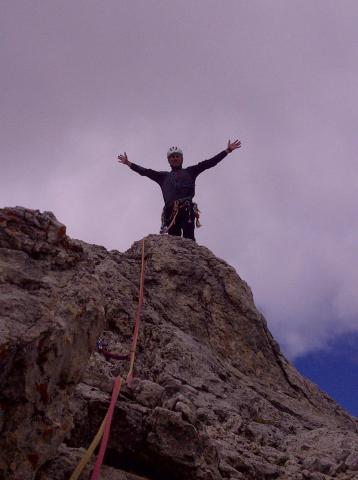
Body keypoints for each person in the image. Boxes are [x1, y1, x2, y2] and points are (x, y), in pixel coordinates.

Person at [117, 139, 241, 241]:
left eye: (177, 156)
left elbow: (209, 163)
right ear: (168, 161)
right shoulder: (163, 177)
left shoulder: (191, 171)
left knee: (189, 238)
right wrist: (129, 163)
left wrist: (228, 150)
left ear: (181, 159)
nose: (175, 159)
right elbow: (145, 172)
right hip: (170, 212)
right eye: (172, 157)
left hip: (186, 208)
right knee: (173, 240)